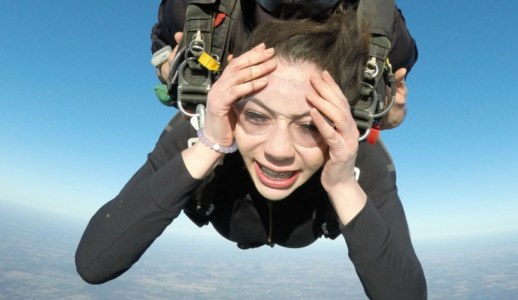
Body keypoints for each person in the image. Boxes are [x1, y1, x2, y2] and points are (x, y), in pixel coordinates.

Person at [76, 7, 427, 299]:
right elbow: (94, 262)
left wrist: (342, 184)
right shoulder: (206, 130)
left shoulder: (351, 155)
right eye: (256, 116)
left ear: (338, 123)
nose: (277, 152)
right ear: (231, 108)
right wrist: (210, 146)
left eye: (309, 127)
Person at [150, 0, 417, 130]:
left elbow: (392, 109)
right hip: (220, 181)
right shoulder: (198, 8)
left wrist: (390, 112)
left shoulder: (379, 28)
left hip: (318, 195)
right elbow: (161, 43)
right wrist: (172, 70)